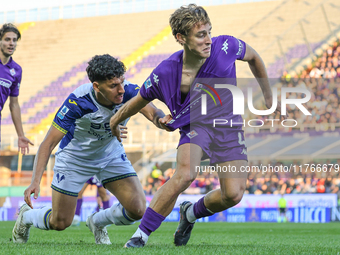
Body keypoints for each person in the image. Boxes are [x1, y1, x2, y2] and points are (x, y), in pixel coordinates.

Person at [109, 4, 283, 247]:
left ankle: (190, 213)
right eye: (201, 35)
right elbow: (137, 101)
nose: (209, 40)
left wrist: (268, 94)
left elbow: (253, 57)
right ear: (181, 38)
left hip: (228, 126)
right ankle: (141, 235)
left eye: (209, 32)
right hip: (196, 126)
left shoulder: (226, 46)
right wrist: (114, 121)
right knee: (185, 174)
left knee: (233, 195)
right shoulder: (166, 72)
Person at [12, 54, 167, 244]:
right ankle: (26, 216)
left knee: (137, 209)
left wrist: (162, 121)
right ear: (96, 86)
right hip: (74, 160)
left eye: (122, 82)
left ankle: (97, 221)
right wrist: (35, 180)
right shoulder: (77, 101)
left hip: (110, 155)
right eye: (113, 86)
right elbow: (48, 143)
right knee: (60, 222)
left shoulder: (128, 92)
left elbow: (153, 112)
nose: (120, 90)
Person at [0, 23, 33, 153]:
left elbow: (14, 105)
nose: (11, 43)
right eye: (7, 39)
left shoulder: (16, 70)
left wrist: (20, 135)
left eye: (14, 40)